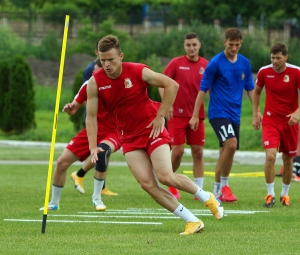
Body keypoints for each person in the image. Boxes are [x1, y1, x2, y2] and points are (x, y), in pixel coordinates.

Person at [86, 35, 224, 236]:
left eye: (111, 60)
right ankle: (192, 221)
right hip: (129, 138)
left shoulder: (137, 71)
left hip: (153, 129)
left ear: (121, 56)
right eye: (103, 60)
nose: (106, 64)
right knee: (147, 184)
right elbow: (90, 117)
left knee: (165, 176)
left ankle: (207, 197)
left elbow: (171, 85)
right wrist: (92, 146)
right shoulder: (95, 82)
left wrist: (161, 116)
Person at [40, 59, 121, 211]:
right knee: (62, 162)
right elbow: (74, 107)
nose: (97, 74)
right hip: (91, 130)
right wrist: (70, 107)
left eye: (101, 71)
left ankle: (97, 199)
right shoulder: (89, 84)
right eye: (94, 72)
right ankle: (54, 203)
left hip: (113, 131)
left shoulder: (118, 84)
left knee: (102, 153)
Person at [189, 28, 255, 203]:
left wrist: (256, 112)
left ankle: (217, 191)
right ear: (224, 42)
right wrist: (195, 115)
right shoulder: (215, 63)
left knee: (225, 151)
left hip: (235, 114)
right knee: (231, 145)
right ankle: (223, 187)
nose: (234, 48)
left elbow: (250, 89)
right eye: (231, 44)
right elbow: (203, 89)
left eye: (237, 45)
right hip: (218, 113)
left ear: (241, 44)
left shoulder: (245, 63)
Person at [158, 32, 208, 200]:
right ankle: (170, 182)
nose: (191, 48)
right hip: (177, 116)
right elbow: (161, 84)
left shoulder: (206, 65)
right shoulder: (176, 63)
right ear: (184, 47)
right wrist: (167, 105)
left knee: (198, 152)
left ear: (199, 45)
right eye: (188, 45)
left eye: (194, 44)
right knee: (177, 151)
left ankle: (199, 191)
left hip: (197, 116)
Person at [252, 43, 300, 207]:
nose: (275, 61)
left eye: (278, 58)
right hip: (271, 121)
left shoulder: (296, 72)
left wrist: (297, 113)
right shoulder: (264, 72)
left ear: (286, 57)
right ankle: (270, 194)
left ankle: (285, 195)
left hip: (290, 122)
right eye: (272, 58)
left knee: (288, 160)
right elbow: (257, 92)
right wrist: (256, 112)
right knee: (270, 156)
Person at [71, 39, 118, 196]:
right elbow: (86, 94)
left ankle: (100, 185)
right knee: (100, 151)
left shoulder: (110, 70)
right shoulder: (90, 70)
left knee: (105, 152)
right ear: (96, 52)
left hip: (108, 119)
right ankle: (80, 174)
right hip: (95, 117)